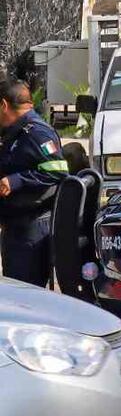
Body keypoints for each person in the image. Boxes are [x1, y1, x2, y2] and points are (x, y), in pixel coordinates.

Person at [0, 79, 69, 286]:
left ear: (3, 105)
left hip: (31, 228)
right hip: (17, 226)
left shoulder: (36, 132)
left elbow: (58, 172)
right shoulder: (16, 133)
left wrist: (16, 181)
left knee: (26, 296)